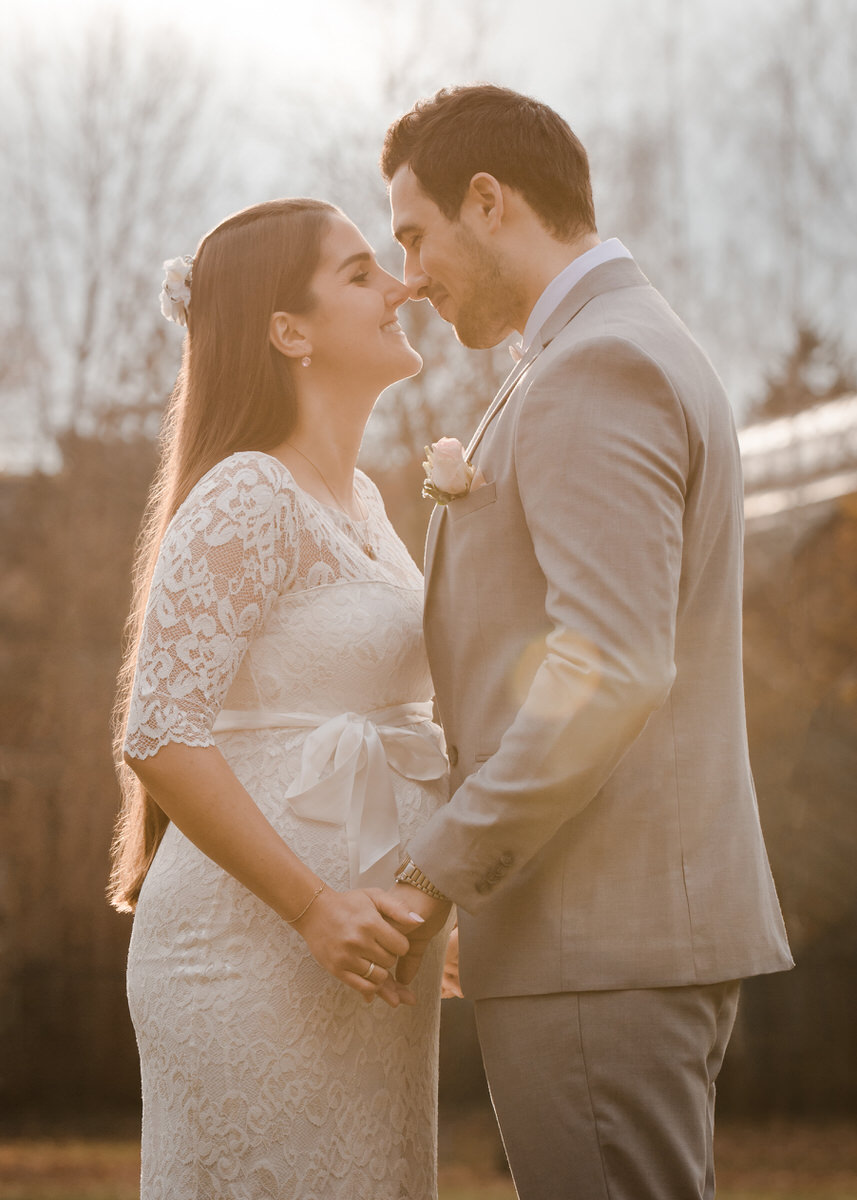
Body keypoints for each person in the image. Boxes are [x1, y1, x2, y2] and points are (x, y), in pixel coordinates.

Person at [380, 85, 794, 1199]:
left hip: (595, 943)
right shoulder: (599, 349)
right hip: (618, 940)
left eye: (415, 235)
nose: (408, 276)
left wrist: (439, 868)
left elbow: (607, 666)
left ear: (487, 198)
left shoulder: (592, 367)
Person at [108, 197, 451, 1199]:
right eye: (358, 274)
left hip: (366, 966)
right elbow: (161, 735)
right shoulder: (245, 494)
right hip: (251, 953)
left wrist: (426, 903)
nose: (400, 286)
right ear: (287, 332)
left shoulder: (368, 506)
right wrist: (315, 908)